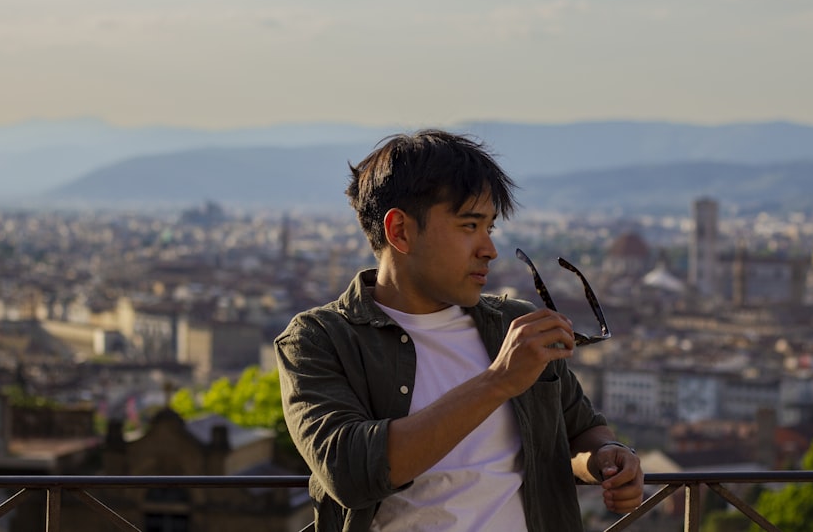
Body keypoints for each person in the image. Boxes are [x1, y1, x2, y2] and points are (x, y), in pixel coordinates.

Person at [275, 129, 644, 531]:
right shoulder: (318, 340)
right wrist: (498, 381)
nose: (488, 249)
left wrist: (607, 457)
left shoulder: (513, 325)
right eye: (469, 226)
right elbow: (350, 472)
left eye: (490, 228)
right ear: (400, 231)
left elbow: (581, 430)